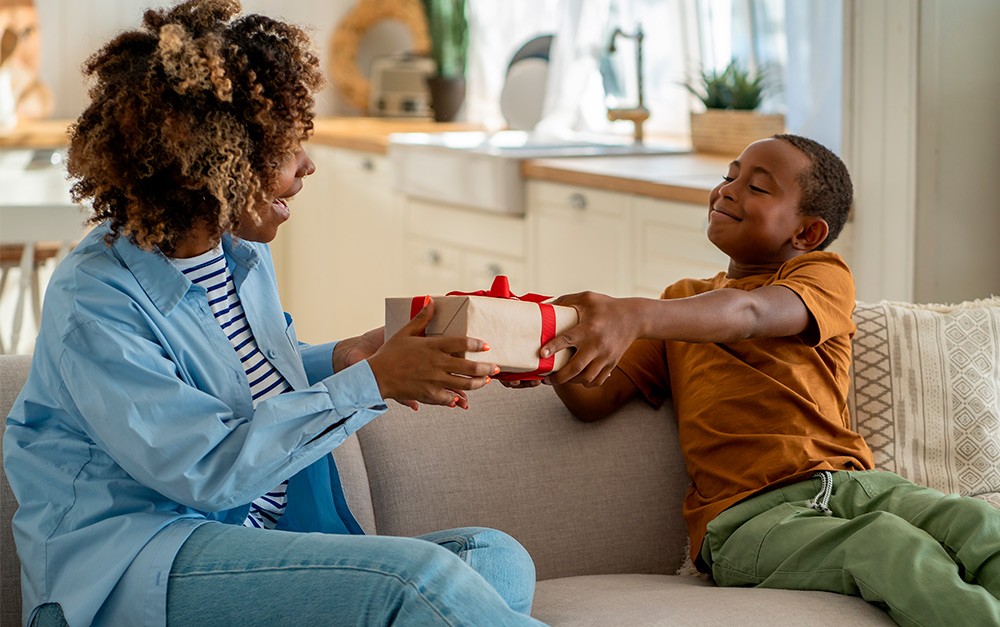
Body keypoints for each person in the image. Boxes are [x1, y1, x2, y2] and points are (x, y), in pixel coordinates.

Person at [2, 1, 542, 625]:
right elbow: (205, 466)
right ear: (213, 163)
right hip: (134, 563)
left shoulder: (239, 257)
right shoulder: (92, 300)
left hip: (244, 538)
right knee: (416, 583)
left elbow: (227, 381)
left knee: (493, 557)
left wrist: (343, 359)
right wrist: (372, 383)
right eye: (287, 148)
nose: (308, 166)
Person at [526, 134, 1000, 624]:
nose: (727, 190)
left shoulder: (822, 276)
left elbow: (748, 313)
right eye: (730, 176)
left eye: (757, 186)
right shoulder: (680, 304)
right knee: (886, 545)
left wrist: (637, 314)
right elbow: (593, 399)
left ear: (807, 234)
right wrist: (550, 354)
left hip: (852, 485)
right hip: (746, 521)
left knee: (980, 523)